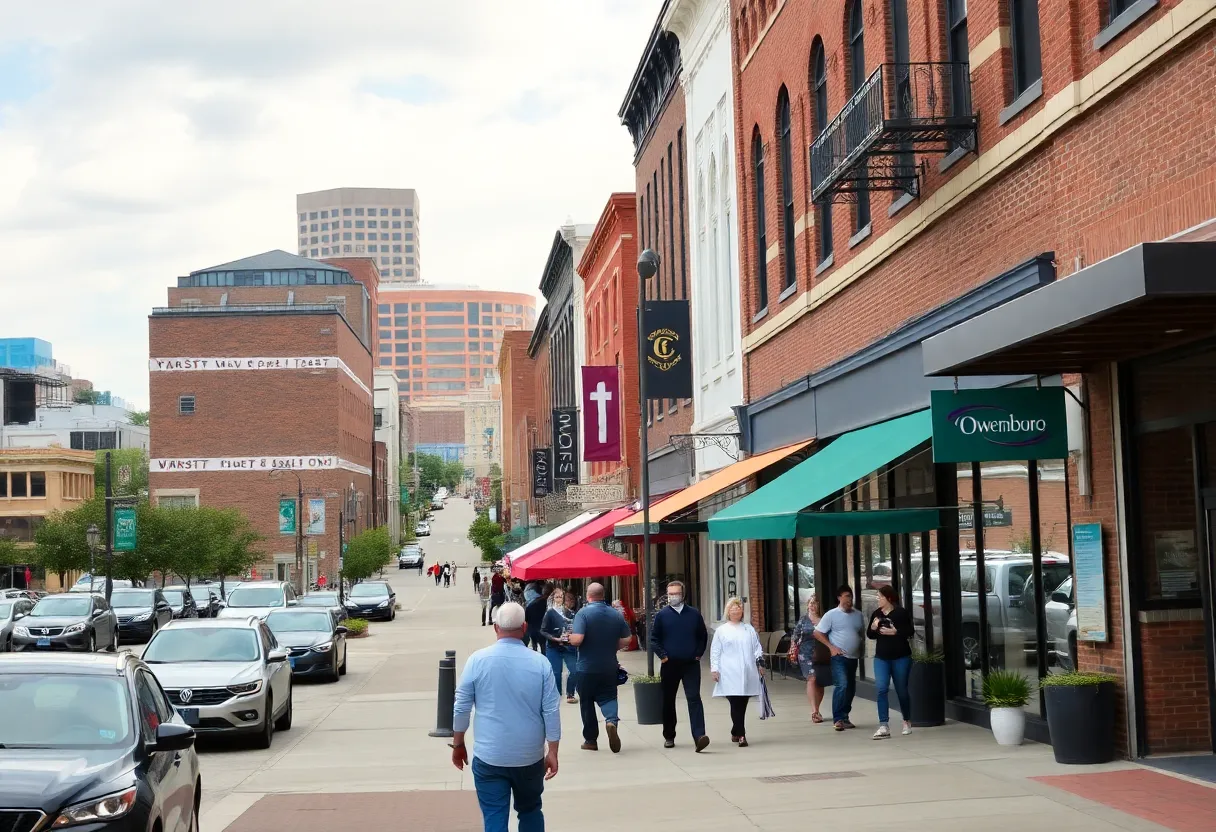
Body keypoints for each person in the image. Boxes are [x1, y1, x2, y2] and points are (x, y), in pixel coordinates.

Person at [452, 602, 560, 832]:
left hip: (490, 755)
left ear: (496, 628)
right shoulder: (540, 663)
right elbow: (551, 710)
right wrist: (553, 751)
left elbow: (461, 707)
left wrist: (458, 743)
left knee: (494, 814)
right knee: (530, 809)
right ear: (524, 627)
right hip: (529, 756)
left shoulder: (477, 661)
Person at [569, 582, 631, 753]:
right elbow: (627, 638)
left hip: (586, 667)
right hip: (609, 666)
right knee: (609, 696)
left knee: (587, 702)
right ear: (603, 595)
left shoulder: (583, 614)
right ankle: (611, 721)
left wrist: (570, 638)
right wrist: (612, 646)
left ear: (589, 596)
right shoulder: (615, 614)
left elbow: (578, 639)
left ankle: (590, 740)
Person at [650, 581, 710, 752]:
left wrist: (698, 653)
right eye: (670, 594)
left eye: (675, 593)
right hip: (670, 664)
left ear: (683, 594)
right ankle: (669, 735)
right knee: (668, 700)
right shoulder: (662, 615)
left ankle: (699, 735)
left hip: (690, 664)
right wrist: (663, 656)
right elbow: (654, 639)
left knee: (694, 698)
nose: (672, 596)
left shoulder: (694, 614)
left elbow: (702, 636)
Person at [710, 597, 765, 747]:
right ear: (728, 611)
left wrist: (760, 664)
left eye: (739, 608)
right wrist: (714, 669)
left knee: (742, 702)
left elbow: (756, 648)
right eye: (733, 608)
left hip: (747, 670)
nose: (736, 610)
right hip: (728, 671)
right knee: (735, 702)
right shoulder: (721, 630)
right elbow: (715, 651)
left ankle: (735, 730)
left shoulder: (749, 629)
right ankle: (742, 735)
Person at [814, 585, 866, 732]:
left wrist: (861, 650)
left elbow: (861, 634)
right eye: (846, 596)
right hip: (838, 657)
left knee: (850, 688)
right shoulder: (831, 615)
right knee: (842, 684)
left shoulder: (858, 615)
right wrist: (831, 647)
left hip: (853, 657)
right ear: (839, 598)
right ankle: (837, 719)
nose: (849, 599)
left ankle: (845, 716)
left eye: (851, 596)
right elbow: (818, 633)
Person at [867, 584, 914, 739]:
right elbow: (870, 635)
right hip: (882, 657)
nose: (877, 599)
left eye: (880, 596)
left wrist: (896, 632)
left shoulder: (901, 613)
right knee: (881, 689)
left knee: (901, 689)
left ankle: (906, 721)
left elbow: (910, 631)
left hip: (901, 657)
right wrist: (874, 627)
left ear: (888, 598)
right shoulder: (876, 614)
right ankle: (883, 725)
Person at [791, 595, 832, 723]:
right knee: (811, 678)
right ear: (807, 605)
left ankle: (817, 710)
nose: (813, 606)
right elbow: (795, 636)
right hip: (805, 654)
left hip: (821, 655)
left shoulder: (824, 620)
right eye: (811, 603)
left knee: (820, 684)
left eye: (815, 604)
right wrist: (792, 651)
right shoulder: (803, 620)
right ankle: (814, 711)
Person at [541, 588, 579, 704]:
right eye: (557, 597)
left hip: (569, 646)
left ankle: (570, 693)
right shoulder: (550, 613)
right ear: (553, 598)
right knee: (556, 673)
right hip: (553, 647)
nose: (559, 599)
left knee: (575, 670)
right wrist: (555, 638)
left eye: (561, 597)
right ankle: (556, 695)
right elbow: (543, 630)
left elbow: (577, 627)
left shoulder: (570, 613)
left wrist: (573, 631)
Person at [524, 583, 554, 652]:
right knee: (544, 649)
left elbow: (526, 619)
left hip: (533, 630)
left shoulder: (531, 604)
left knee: (534, 648)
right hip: (543, 630)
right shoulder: (549, 605)